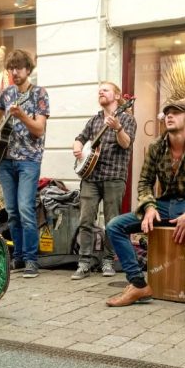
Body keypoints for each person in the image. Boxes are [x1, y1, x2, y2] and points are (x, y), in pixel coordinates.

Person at [105, 97, 185, 317]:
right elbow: (144, 182)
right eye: (167, 112)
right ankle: (138, 284)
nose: (169, 115)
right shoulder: (157, 146)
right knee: (114, 226)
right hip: (163, 204)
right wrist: (149, 206)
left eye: (175, 112)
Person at [0, 49, 50, 278]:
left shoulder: (39, 94)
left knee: (26, 209)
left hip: (29, 160)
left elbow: (39, 129)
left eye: (19, 68)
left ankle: (32, 259)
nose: (14, 72)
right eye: (11, 68)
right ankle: (19, 257)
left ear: (28, 69)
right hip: (5, 159)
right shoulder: (7, 92)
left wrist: (22, 116)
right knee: (12, 212)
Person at [71, 82, 137, 280]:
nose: (101, 92)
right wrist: (77, 148)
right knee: (85, 220)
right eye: (99, 90)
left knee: (112, 222)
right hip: (90, 177)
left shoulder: (127, 118)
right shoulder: (94, 120)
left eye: (105, 90)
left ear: (117, 96)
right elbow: (80, 138)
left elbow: (126, 144)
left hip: (114, 177)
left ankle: (108, 261)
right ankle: (84, 263)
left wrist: (118, 129)